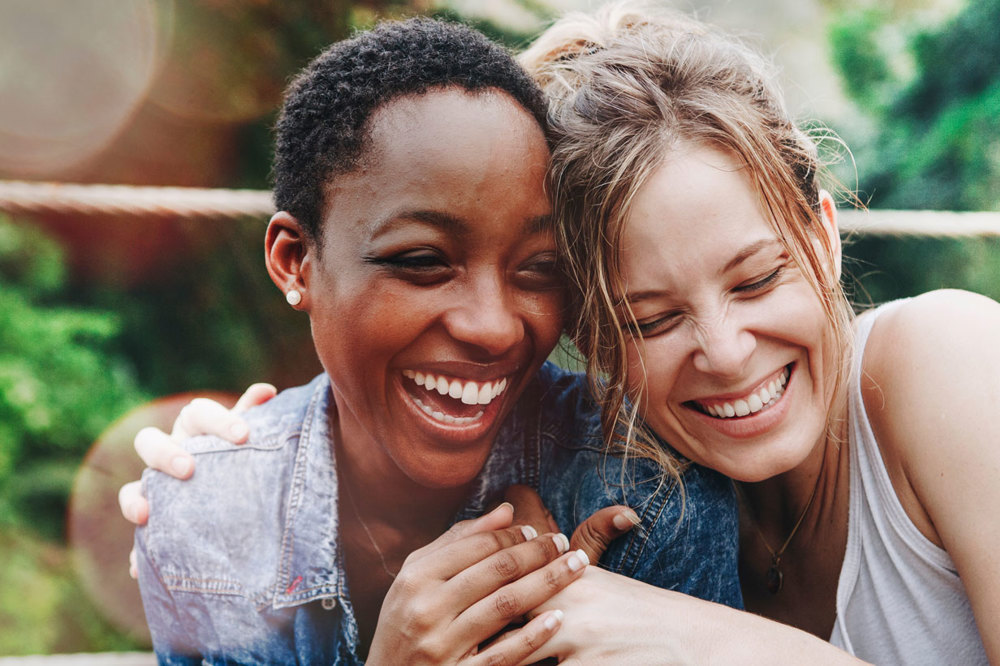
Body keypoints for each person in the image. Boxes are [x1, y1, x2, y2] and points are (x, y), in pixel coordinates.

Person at [129, 16, 742, 665]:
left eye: (538, 269)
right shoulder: (203, 522)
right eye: (423, 260)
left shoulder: (645, 496)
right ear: (295, 260)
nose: (493, 326)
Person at [502, 3, 996, 663]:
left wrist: (696, 636)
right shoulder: (636, 519)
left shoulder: (949, 357)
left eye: (757, 279)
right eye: (652, 320)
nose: (727, 353)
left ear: (822, 237)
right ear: (594, 343)